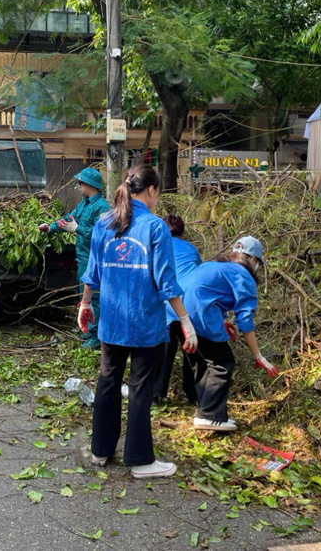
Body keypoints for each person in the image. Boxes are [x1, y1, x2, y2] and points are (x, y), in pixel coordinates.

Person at [78, 164, 198, 479]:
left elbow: (93, 272)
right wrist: (185, 322)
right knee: (140, 389)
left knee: (107, 383)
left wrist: (85, 303)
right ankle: (140, 460)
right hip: (145, 323)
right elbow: (166, 281)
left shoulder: (105, 222)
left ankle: (100, 451)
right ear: (152, 190)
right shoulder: (155, 227)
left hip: (112, 322)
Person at [170, 238, 278, 432]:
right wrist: (258, 356)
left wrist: (220, 322)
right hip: (198, 314)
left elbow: (205, 292)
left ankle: (205, 409)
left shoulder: (215, 266)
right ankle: (209, 416)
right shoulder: (243, 275)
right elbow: (245, 321)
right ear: (253, 260)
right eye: (259, 264)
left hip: (176, 313)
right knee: (222, 363)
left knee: (202, 361)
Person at [40, 167, 111, 349]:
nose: (79, 186)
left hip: (94, 260)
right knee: (83, 297)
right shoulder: (84, 204)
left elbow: (102, 235)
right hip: (83, 259)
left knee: (93, 298)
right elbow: (68, 219)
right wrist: (50, 228)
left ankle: (95, 337)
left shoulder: (102, 207)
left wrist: (77, 229)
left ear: (90, 185)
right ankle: (85, 330)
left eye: (81, 183)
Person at [154, 214, 202, 402]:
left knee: (164, 351)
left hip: (166, 303)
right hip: (189, 303)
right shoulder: (191, 249)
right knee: (190, 350)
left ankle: (157, 393)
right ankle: (192, 394)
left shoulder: (158, 247)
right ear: (182, 232)